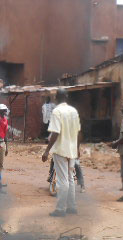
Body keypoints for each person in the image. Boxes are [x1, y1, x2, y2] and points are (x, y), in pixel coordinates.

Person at [41, 88, 81, 217]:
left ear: (56, 98)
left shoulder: (57, 111)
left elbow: (55, 132)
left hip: (61, 150)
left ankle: (60, 209)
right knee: (70, 179)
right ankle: (72, 207)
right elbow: (78, 132)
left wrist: (47, 151)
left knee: (62, 180)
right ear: (67, 97)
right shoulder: (73, 111)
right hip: (72, 150)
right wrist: (78, 149)